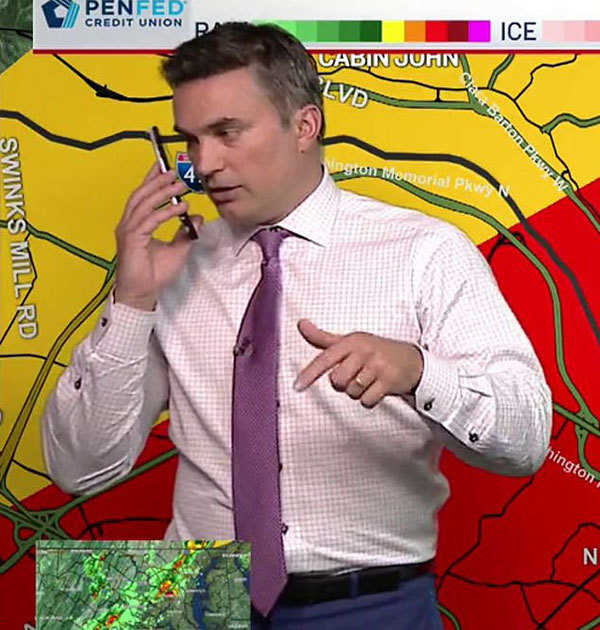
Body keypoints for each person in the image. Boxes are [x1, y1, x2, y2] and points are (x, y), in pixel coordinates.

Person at [41, 22, 552, 629]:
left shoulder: (424, 252)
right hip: (191, 594)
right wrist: (132, 301)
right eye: (189, 140)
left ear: (305, 126)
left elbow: (527, 440)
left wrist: (419, 372)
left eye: (227, 132)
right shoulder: (175, 264)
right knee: (71, 604)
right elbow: (78, 468)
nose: (204, 165)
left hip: (368, 604)